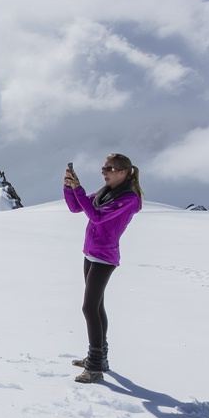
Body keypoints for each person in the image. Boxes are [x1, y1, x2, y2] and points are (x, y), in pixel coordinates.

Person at [63, 154, 143, 383]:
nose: (104, 171)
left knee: (89, 308)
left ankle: (95, 365)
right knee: (96, 307)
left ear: (124, 172)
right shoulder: (106, 192)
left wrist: (79, 189)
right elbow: (75, 208)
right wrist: (69, 187)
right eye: (103, 168)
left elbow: (96, 217)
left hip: (104, 258)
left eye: (109, 168)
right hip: (91, 254)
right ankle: (99, 358)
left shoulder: (129, 199)